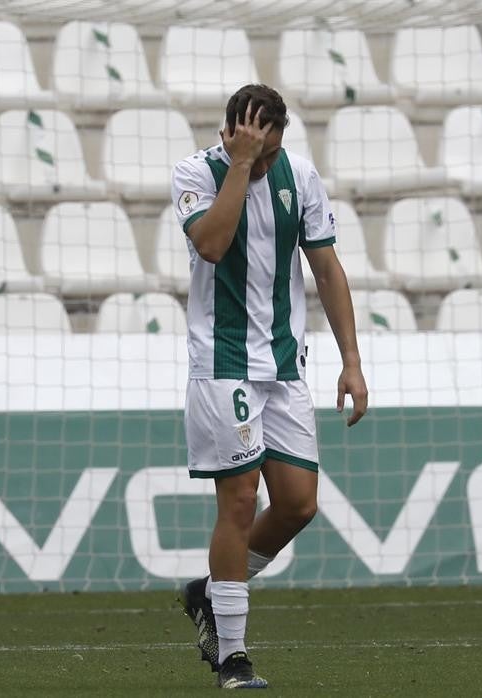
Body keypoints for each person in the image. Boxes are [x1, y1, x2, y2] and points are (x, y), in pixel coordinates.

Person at [171, 84, 369, 689]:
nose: (265, 164)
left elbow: (327, 268)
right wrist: (238, 166)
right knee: (238, 500)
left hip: (285, 365)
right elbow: (211, 243)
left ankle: (212, 592)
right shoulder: (196, 172)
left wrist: (352, 361)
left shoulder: (300, 176)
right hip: (222, 359)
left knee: (297, 504)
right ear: (231, 133)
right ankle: (232, 655)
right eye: (255, 151)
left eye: (271, 152)